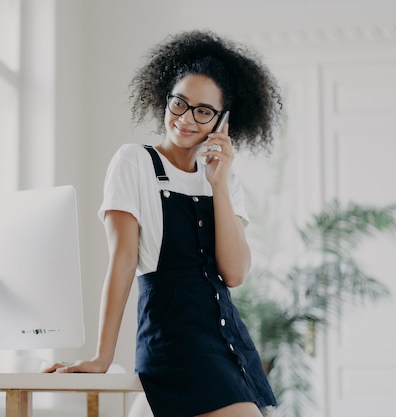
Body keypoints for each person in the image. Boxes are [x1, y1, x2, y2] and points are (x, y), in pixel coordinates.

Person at [44, 30, 283, 417]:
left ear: (222, 122)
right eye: (179, 103)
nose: (186, 119)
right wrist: (102, 357)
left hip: (225, 339)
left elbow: (235, 273)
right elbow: (122, 261)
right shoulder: (133, 162)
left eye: (203, 111)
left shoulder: (226, 178)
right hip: (173, 338)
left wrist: (218, 184)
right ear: (165, 98)